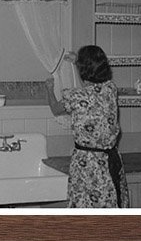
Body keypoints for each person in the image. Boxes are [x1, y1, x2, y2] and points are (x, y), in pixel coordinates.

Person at [46, 45, 128, 208]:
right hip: (110, 161)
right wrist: (78, 60)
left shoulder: (76, 96)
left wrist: (49, 89)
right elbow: (92, 77)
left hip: (87, 164)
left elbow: (56, 109)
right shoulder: (110, 89)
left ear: (83, 71)